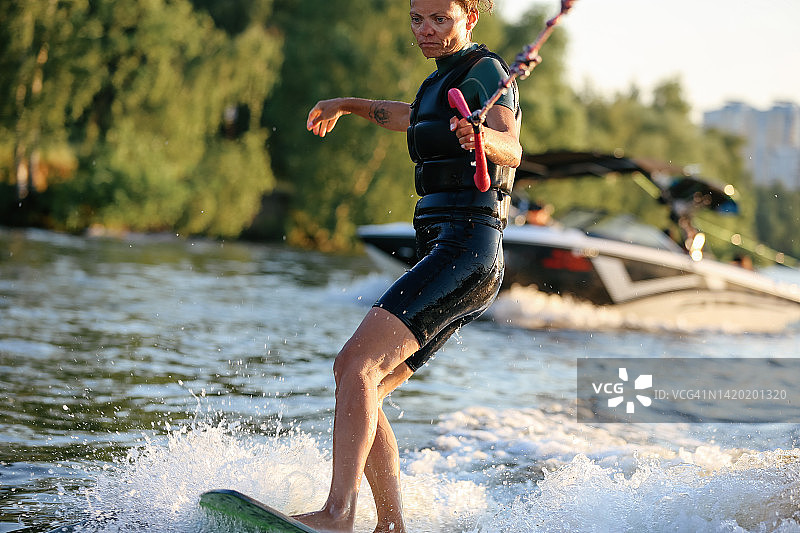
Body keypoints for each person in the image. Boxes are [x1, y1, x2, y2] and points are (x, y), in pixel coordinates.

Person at [299, 1, 521, 531]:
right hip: (450, 251)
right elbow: (404, 115)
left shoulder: (487, 72)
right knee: (366, 386)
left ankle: (337, 514)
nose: (426, 30)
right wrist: (347, 104)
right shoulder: (436, 86)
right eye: (417, 19)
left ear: (469, 16)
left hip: (466, 246)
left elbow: (512, 145)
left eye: (440, 19)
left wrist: (482, 139)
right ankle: (392, 526)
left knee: (353, 365)